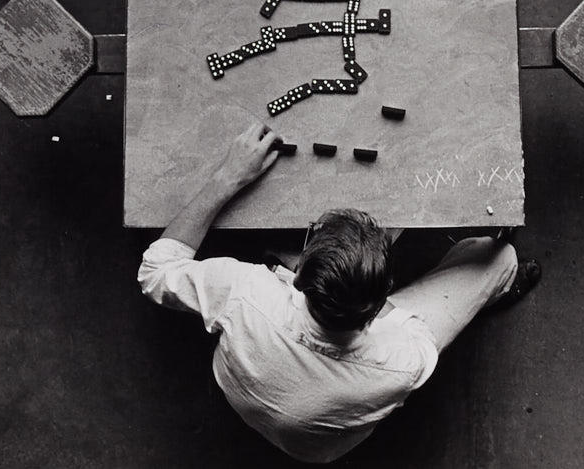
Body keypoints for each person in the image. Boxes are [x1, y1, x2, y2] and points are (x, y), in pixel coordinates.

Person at [137, 123, 540, 463]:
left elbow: (155, 271)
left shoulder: (246, 290)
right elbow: (402, 326)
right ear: (381, 305)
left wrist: (227, 178)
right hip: (318, 444)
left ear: (296, 277)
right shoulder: (402, 361)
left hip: (246, 393)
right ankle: (499, 283)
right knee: (498, 257)